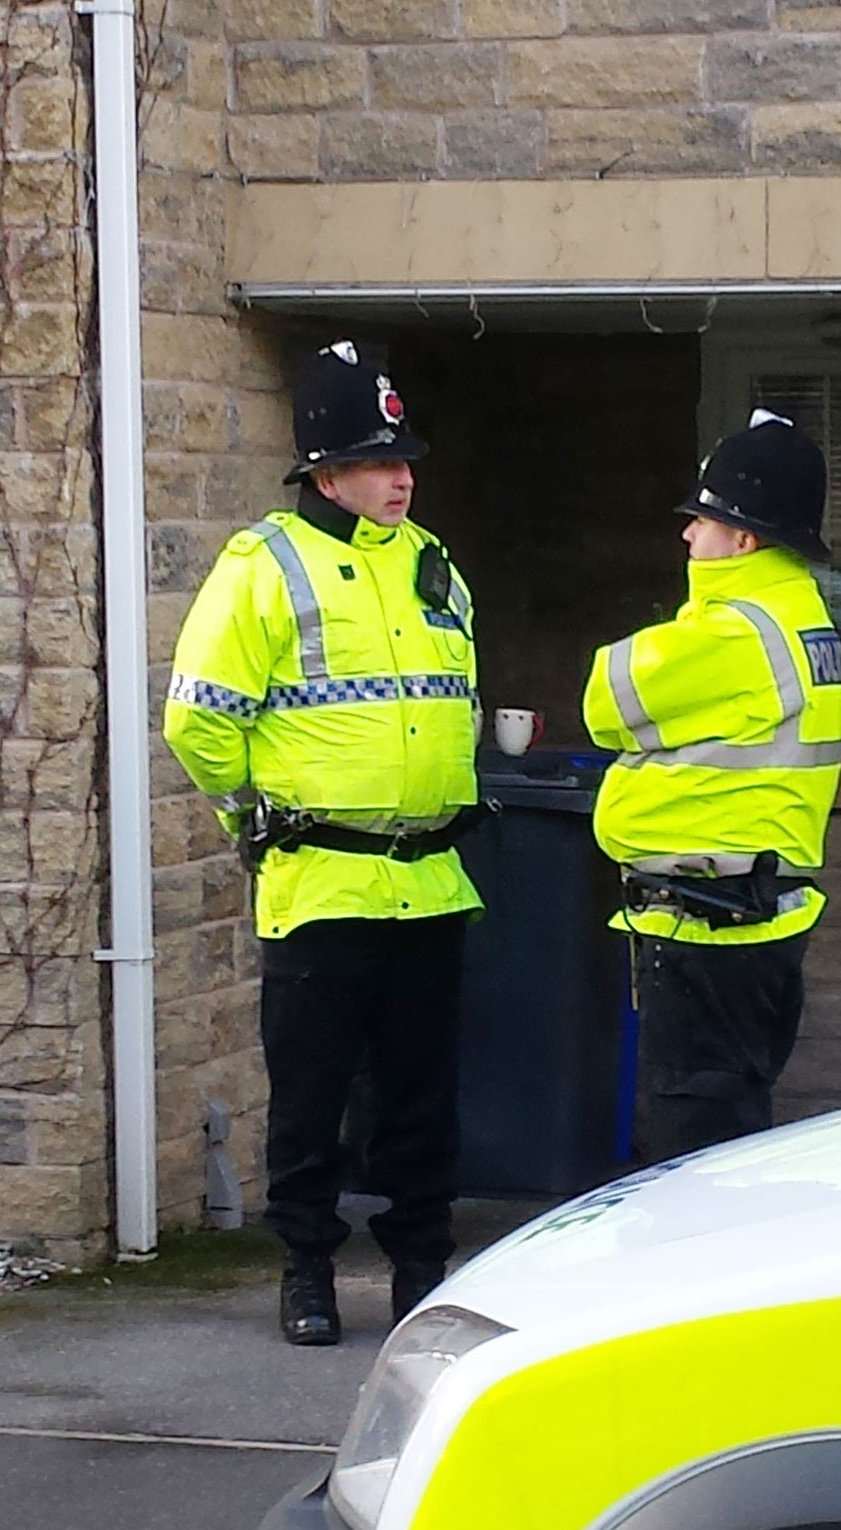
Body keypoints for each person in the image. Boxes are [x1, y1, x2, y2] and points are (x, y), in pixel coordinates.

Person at [163, 339, 484, 1345]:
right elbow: (197, 719)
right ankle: (305, 1268)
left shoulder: (435, 565)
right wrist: (249, 820)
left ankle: (418, 1267)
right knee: (308, 1099)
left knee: (420, 1101)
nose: (401, 477)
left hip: (430, 882)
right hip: (320, 884)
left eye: (403, 459)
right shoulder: (262, 567)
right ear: (324, 472)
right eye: (378, 461)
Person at [582, 409, 841, 1163]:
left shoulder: (737, 632)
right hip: (750, 923)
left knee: (693, 1152)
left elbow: (604, 700)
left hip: (707, 934)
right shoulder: (801, 618)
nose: (686, 536)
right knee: (729, 1127)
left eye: (702, 519)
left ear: (745, 539)